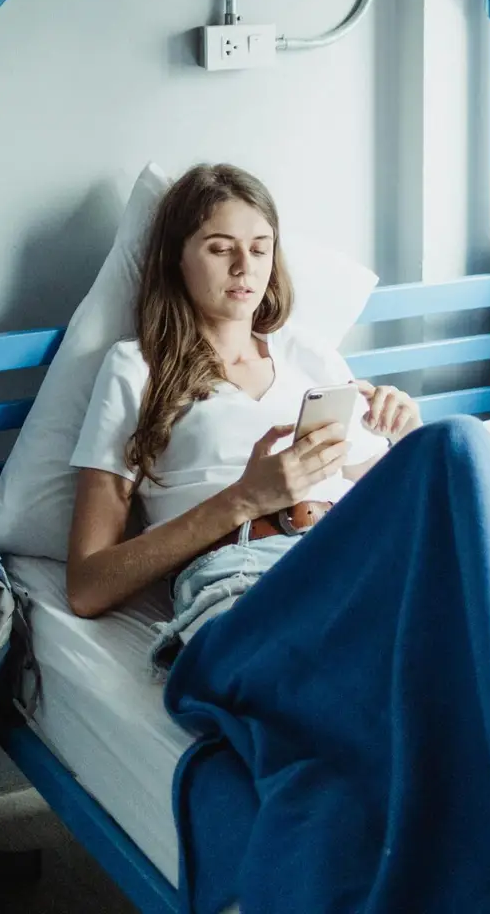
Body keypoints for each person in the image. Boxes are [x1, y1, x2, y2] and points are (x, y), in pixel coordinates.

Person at [66, 162, 420, 644]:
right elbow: (86, 588)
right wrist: (246, 498)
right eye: (219, 249)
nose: (244, 267)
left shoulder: (310, 355)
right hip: (241, 570)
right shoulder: (137, 368)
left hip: (348, 551)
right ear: (177, 258)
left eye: (259, 249)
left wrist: (405, 440)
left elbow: (389, 498)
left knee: (454, 445)